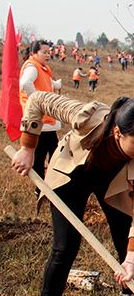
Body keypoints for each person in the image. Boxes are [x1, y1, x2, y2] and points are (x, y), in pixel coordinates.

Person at [11, 91, 134, 296]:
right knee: (65, 246)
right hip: (72, 174)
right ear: (118, 133)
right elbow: (37, 100)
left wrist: (130, 260)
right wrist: (28, 147)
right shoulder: (88, 116)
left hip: (110, 182)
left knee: (128, 243)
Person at [19, 40, 62, 193]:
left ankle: (50, 186)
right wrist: (36, 102)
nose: (48, 55)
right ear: (33, 53)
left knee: (54, 153)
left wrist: (57, 85)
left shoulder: (42, 68)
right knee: (41, 157)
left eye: (49, 52)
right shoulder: (32, 67)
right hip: (39, 123)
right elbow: (25, 83)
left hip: (47, 122)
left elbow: (48, 83)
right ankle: (40, 189)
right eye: (44, 52)